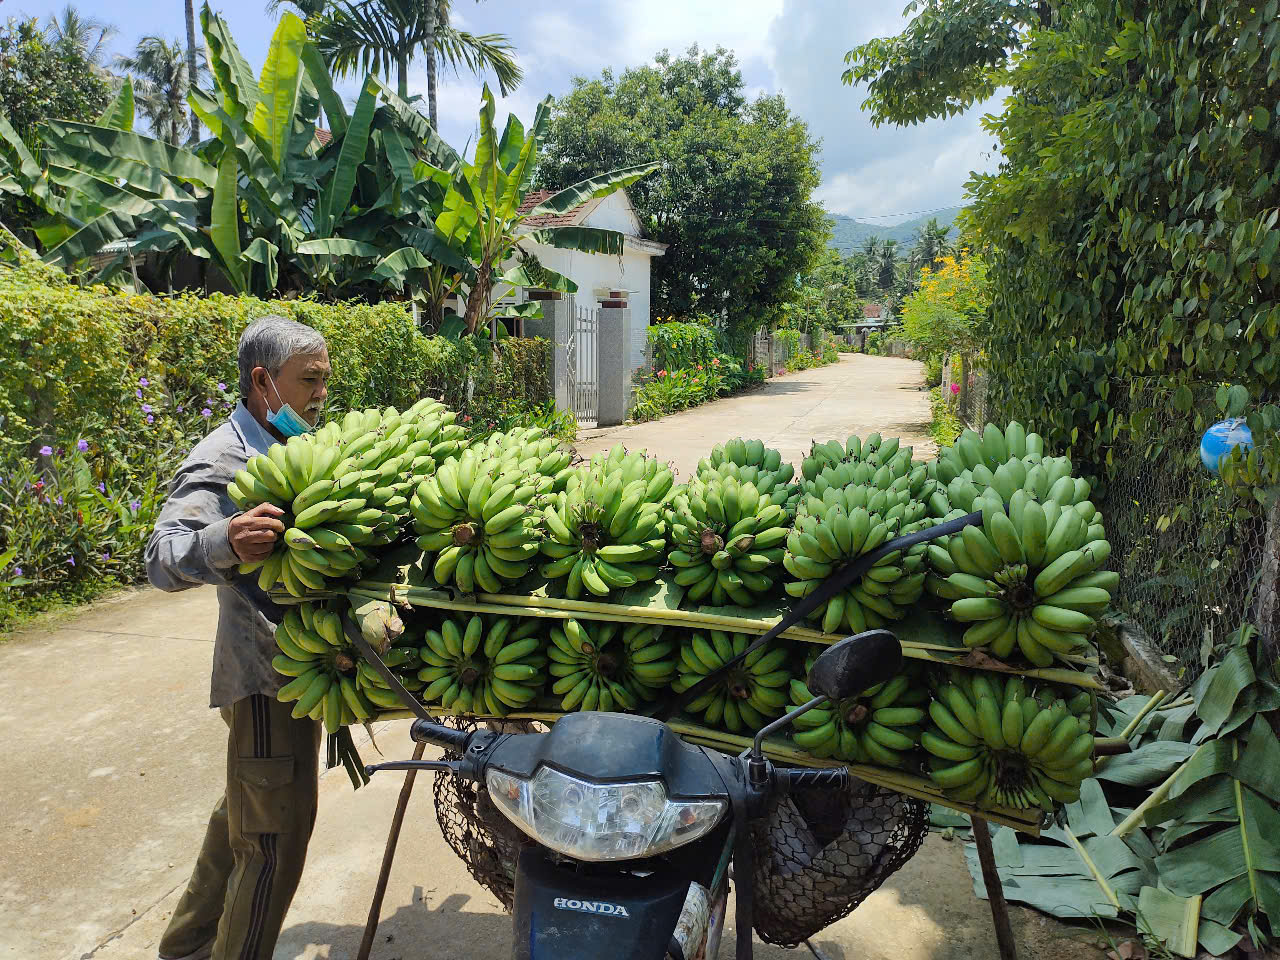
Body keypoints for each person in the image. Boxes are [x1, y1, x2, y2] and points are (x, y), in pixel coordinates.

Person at [146, 316, 332, 960]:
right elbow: (161, 555)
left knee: (244, 813)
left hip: (300, 668)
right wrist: (223, 540)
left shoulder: (298, 443)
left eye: (325, 380)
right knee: (273, 838)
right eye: (308, 381)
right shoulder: (222, 459)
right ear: (262, 381)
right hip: (264, 680)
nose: (320, 395)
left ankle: (189, 944)